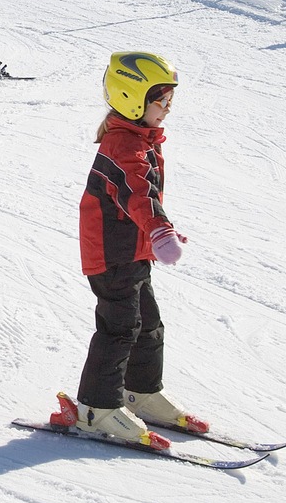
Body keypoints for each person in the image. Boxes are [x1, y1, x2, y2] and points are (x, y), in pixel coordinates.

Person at [47, 51, 207, 451]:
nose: (168, 108)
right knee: (119, 327)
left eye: (171, 99)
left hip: (133, 252)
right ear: (133, 98)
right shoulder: (123, 145)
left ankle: (140, 391)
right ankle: (96, 408)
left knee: (148, 324)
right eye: (161, 100)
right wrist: (160, 230)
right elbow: (138, 193)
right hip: (111, 253)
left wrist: (155, 236)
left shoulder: (138, 138)